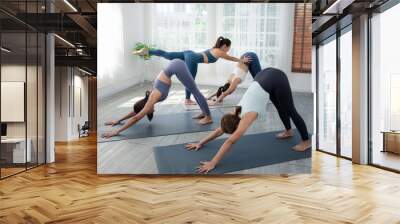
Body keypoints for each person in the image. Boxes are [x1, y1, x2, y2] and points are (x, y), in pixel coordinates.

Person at [186, 67, 311, 173]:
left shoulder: (248, 115)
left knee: (290, 110)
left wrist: (213, 162)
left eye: (234, 131)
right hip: (264, 78)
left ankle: (306, 141)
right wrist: (200, 143)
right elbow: (220, 130)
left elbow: (230, 141)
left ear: (236, 127)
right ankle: (288, 131)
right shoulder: (234, 113)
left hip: (277, 78)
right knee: (279, 107)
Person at [102, 59, 213, 139]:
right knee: (193, 91)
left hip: (176, 66)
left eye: (146, 112)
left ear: (145, 107)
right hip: (175, 65)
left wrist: (116, 132)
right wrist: (118, 120)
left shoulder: (150, 101)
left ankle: (208, 117)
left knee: (195, 91)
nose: (149, 112)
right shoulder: (147, 101)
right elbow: (136, 111)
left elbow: (136, 117)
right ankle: (204, 113)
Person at [133, 37, 252, 105]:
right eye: (228, 47)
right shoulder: (220, 52)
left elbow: (228, 57)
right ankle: (187, 99)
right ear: (225, 46)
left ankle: (148, 51)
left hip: (189, 53)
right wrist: (242, 59)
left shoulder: (215, 48)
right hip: (192, 58)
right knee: (190, 80)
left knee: (167, 54)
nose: (228, 50)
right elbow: (230, 58)